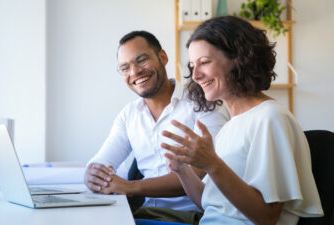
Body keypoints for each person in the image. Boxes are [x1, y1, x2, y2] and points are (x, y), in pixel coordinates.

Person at [160, 16, 324, 225]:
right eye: (193, 66)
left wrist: (212, 163)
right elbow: (210, 203)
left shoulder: (270, 118)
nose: (196, 75)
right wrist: (181, 169)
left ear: (240, 58)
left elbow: (267, 217)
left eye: (205, 62)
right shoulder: (230, 126)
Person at [84, 30, 230, 224]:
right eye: (125, 68)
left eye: (141, 60)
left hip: (196, 216)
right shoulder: (129, 114)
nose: (134, 72)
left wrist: (131, 187)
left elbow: (199, 171)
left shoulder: (203, 103)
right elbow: (101, 162)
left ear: (162, 57)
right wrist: (92, 175)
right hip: (149, 215)